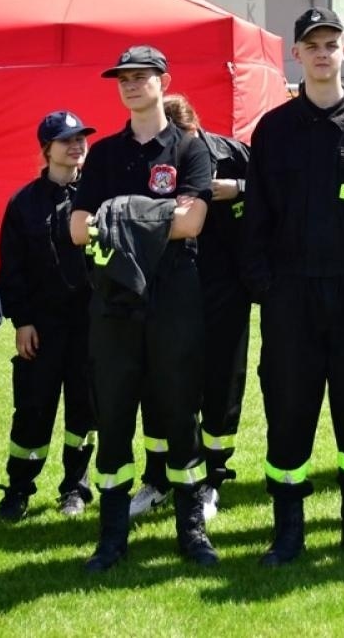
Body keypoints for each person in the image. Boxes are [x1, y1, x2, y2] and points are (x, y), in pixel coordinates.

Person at [242, 8, 344, 566]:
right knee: (289, 409)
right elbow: (257, 216)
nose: (321, 52)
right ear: (297, 54)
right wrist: (266, 284)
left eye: (331, 44)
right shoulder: (273, 130)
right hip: (291, 293)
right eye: (311, 43)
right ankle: (288, 530)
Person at [68, 46, 215, 571]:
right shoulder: (105, 154)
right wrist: (154, 216)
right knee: (113, 420)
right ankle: (111, 538)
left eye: (141, 76)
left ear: (163, 81)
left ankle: (191, 531)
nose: (130, 85)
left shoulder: (190, 150)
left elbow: (192, 223)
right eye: (122, 78)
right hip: (114, 306)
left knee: (180, 416)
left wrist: (120, 213)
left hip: (174, 301)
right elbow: (78, 228)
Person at [0, 110, 97, 522]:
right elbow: (11, 270)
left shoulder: (96, 196)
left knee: (84, 410)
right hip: (42, 328)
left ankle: (76, 487)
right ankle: (19, 487)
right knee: (34, 409)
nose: (76, 145)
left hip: (89, 326)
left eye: (81, 138)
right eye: (66, 140)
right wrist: (22, 321)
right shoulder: (24, 204)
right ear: (46, 150)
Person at [161, 93, 250, 518]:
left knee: (222, 384)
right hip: (174, 288)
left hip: (227, 289)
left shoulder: (230, 153)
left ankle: (214, 476)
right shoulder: (157, 164)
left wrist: (239, 189)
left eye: (187, 140)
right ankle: (160, 476)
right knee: (170, 383)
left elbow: (275, 191)